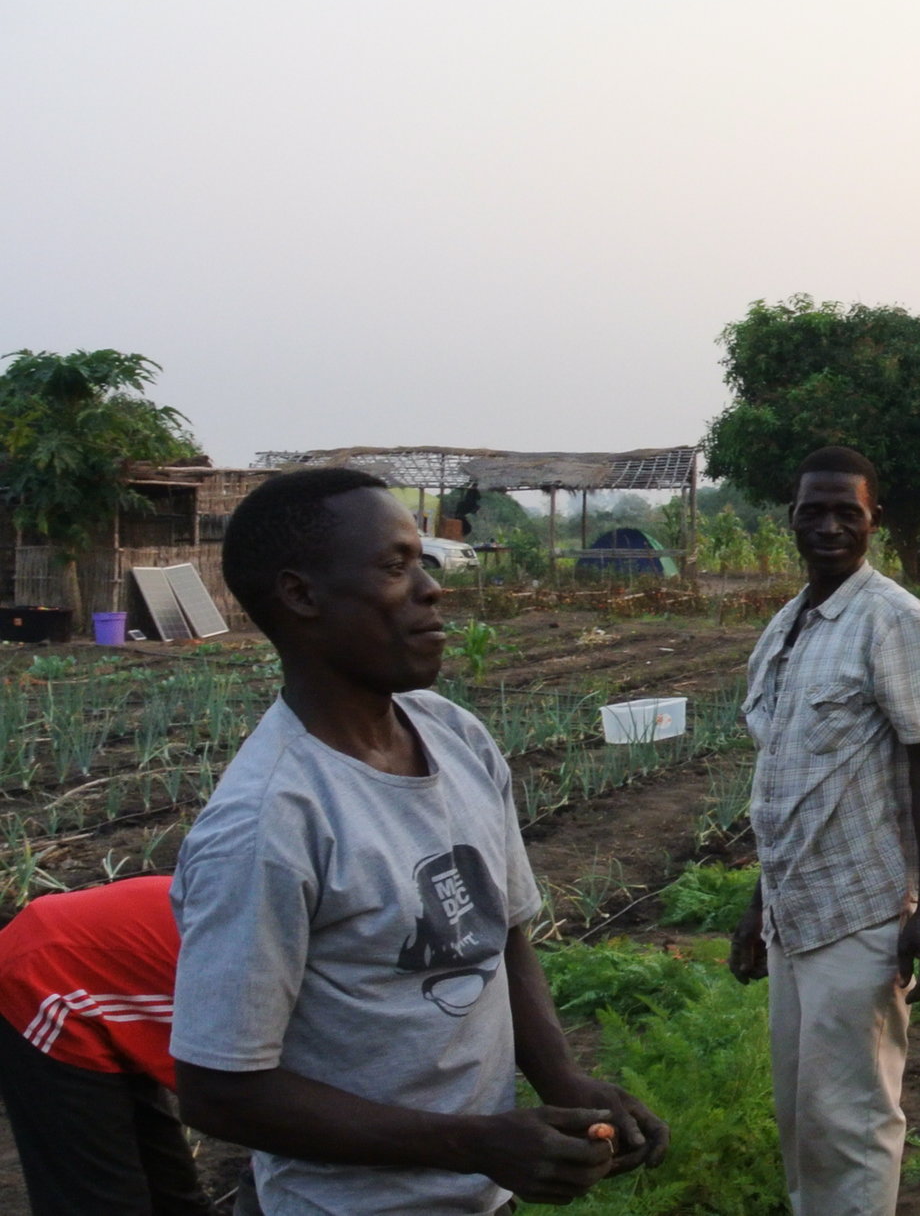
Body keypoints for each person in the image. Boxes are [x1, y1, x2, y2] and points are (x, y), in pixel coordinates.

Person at [170, 466, 668, 1214]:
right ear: (302, 595)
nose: (431, 587)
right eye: (395, 567)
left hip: (480, 1198)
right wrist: (471, 1142)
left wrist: (562, 1079)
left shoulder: (454, 733)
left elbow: (502, 934)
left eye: (423, 562)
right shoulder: (271, 820)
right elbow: (217, 1092)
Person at [728, 445, 920, 1216]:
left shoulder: (892, 621)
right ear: (790, 519)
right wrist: (758, 905)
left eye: (846, 513)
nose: (828, 526)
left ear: (874, 521)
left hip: (863, 910)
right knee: (803, 1113)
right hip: (797, 909)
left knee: (853, 1118)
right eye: (812, 512)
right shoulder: (789, 625)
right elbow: (783, 782)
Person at [0, 875, 212, 1216]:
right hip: (47, 974)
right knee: (99, 1198)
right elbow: (230, 1103)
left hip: (121, 960)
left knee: (169, 1187)